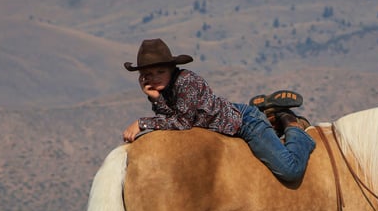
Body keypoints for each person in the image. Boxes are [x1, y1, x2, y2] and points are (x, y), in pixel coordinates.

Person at [122, 39, 316, 183]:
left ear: (172, 68)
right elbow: (173, 118)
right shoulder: (167, 89)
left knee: (290, 170)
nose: (154, 78)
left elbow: (182, 123)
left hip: (245, 123)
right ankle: (267, 114)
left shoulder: (186, 82)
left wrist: (142, 123)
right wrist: (156, 98)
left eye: (160, 72)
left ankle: (292, 124)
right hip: (226, 121)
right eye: (148, 74)